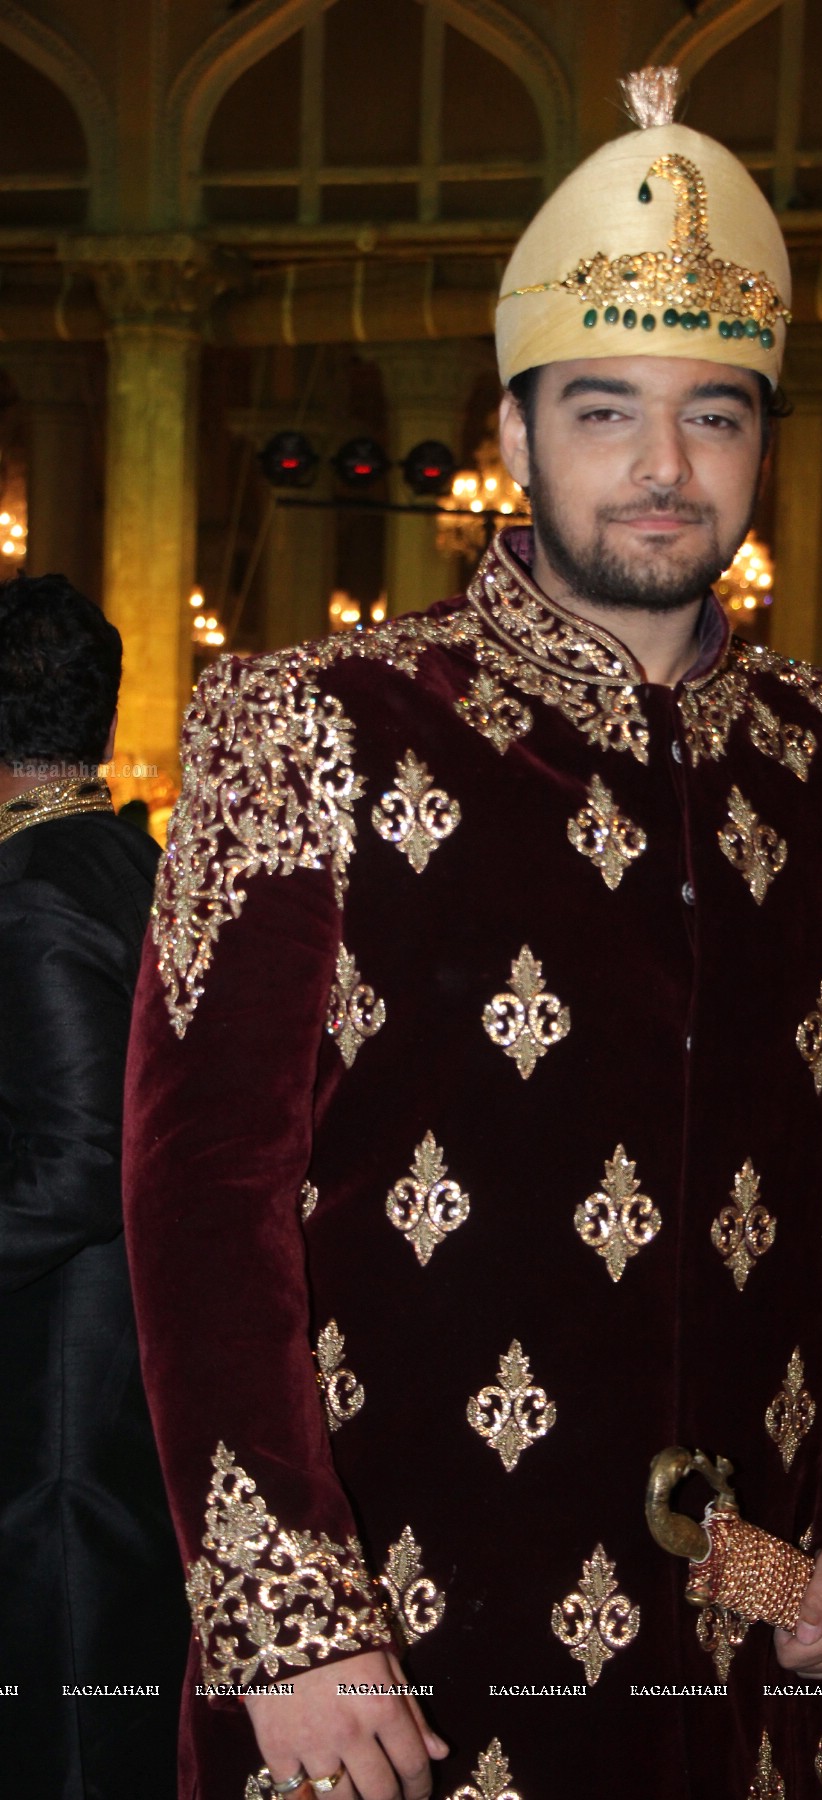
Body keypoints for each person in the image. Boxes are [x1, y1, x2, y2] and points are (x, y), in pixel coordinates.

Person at [123, 68, 822, 1800]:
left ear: (766, 437)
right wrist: (290, 1626)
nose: (665, 470)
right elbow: (199, 1198)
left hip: (742, 1656)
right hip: (394, 1662)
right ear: (513, 439)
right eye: (605, 412)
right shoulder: (314, 724)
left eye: (717, 416)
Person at [0, 572, 187, 1792]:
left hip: (63, 1405)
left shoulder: (38, 892)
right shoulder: (126, 855)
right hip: (122, 1371)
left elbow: (78, 1161)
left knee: (67, 1725)